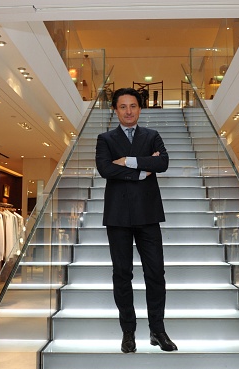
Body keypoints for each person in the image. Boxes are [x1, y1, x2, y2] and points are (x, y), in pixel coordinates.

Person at [95, 87, 177, 353]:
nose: (128, 111)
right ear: (115, 110)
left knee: (156, 274)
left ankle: (158, 330)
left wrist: (128, 161)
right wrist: (142, 171)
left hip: (148, 215)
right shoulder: (105, 138)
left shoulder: (152, 136)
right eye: (123, 107)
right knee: (122, 275)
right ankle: (128, 332)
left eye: (133, 106)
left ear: (139, 109)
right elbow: (105, 169)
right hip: (118, 217)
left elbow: (163, 163)